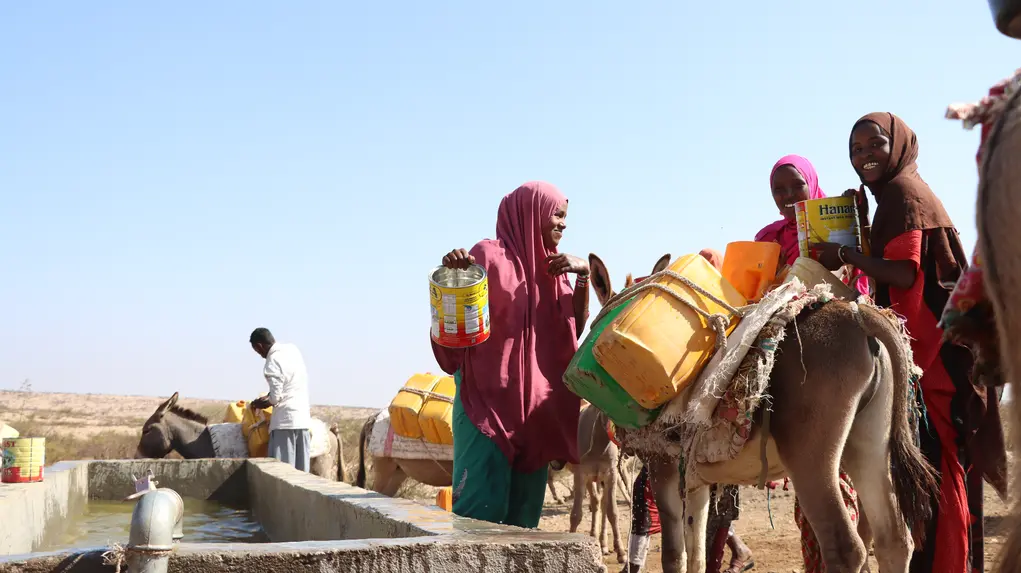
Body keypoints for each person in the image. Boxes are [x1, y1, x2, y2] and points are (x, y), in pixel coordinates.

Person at [816, 112, 1005, 573]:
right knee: (934, 471)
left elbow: (904, 274)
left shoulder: (904, 193)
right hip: (942, 352)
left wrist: (843, 253)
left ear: (898, 145)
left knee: (934, 470)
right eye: (856, 149)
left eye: (874, 144)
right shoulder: (897, 195)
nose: (864, 156)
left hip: (937, 359)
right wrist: (861, 225)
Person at [431, 181, 589, 528]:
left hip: (535, 420)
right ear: (532, 212)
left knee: (523, 529)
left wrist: (583, 276)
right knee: (477, 522)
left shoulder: (555, 270)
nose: (563, 224)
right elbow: (454, 331)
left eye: (566, 217)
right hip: (486, 412)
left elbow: (571, 330)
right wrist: (454, 279)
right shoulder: (488, 257)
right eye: (557, 215)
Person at [758, 154, 870, 572]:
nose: (788, 196)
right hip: (791, 346)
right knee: (814, 481)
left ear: (812, 184)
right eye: (779, 190)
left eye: (796, 187)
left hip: (838, 345)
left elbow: (860, 282)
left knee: (831, 476)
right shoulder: (767, 237)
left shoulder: (838, 223)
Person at [620, 248, 753, 573]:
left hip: (705, 445)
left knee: (710, 514)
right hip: (696, 445)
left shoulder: (720, 321)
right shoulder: (697, 323)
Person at [249, 327, 314, 473]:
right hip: (302, 420)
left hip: (284, 423)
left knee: (283, 473)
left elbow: (275, 398)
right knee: (302, 473)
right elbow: (288, 383)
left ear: (259, 346)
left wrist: (260, 403)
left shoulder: (272, 361)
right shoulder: (292, 349)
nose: (260, 355)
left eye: (257, 351)